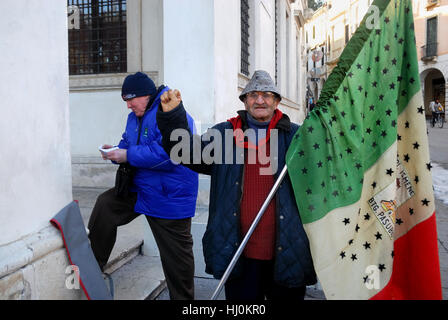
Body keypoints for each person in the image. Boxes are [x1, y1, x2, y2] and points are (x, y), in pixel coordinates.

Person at [156, 70, 317, 301]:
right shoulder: (226, 134)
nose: (259, 100)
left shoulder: (297, 137)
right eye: (253, 95)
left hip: (287, 253)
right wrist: (173, 116)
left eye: (267, 95)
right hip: (238, 254)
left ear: (277, 101)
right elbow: (185, 151)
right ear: (244, 101)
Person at [87, 72, 199, 300]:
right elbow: (129, 142)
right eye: (125, 101)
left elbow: (173, 154)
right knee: (106, 205)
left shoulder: (172, 111)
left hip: (170, 195)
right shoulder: (135, 117)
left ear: (146, 95)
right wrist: (115, 150)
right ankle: (92, 268)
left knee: (177, 260)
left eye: (130, 100)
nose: (128, 106)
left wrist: (127, 154)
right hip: (141, 189)